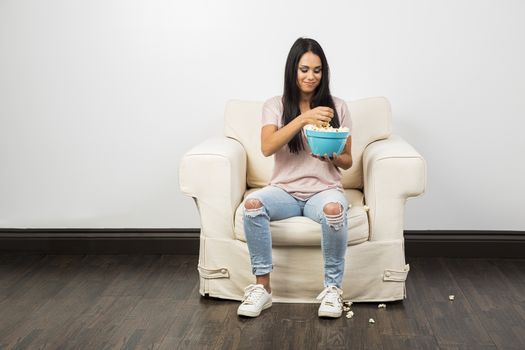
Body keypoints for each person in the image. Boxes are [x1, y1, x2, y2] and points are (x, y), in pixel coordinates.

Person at [237, 37, 353, 318]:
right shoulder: (275, 105)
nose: (311, 76)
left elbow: (348, 161)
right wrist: (303, 119)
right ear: (292, 70)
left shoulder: (337, 106)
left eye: (317, 70)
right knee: (252, 205)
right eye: (304, 69)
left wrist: (332, 156)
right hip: (284, 192)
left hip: (324, 189)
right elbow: (267, 147)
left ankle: (333, 290)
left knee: (335, 210)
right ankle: (262, 289)